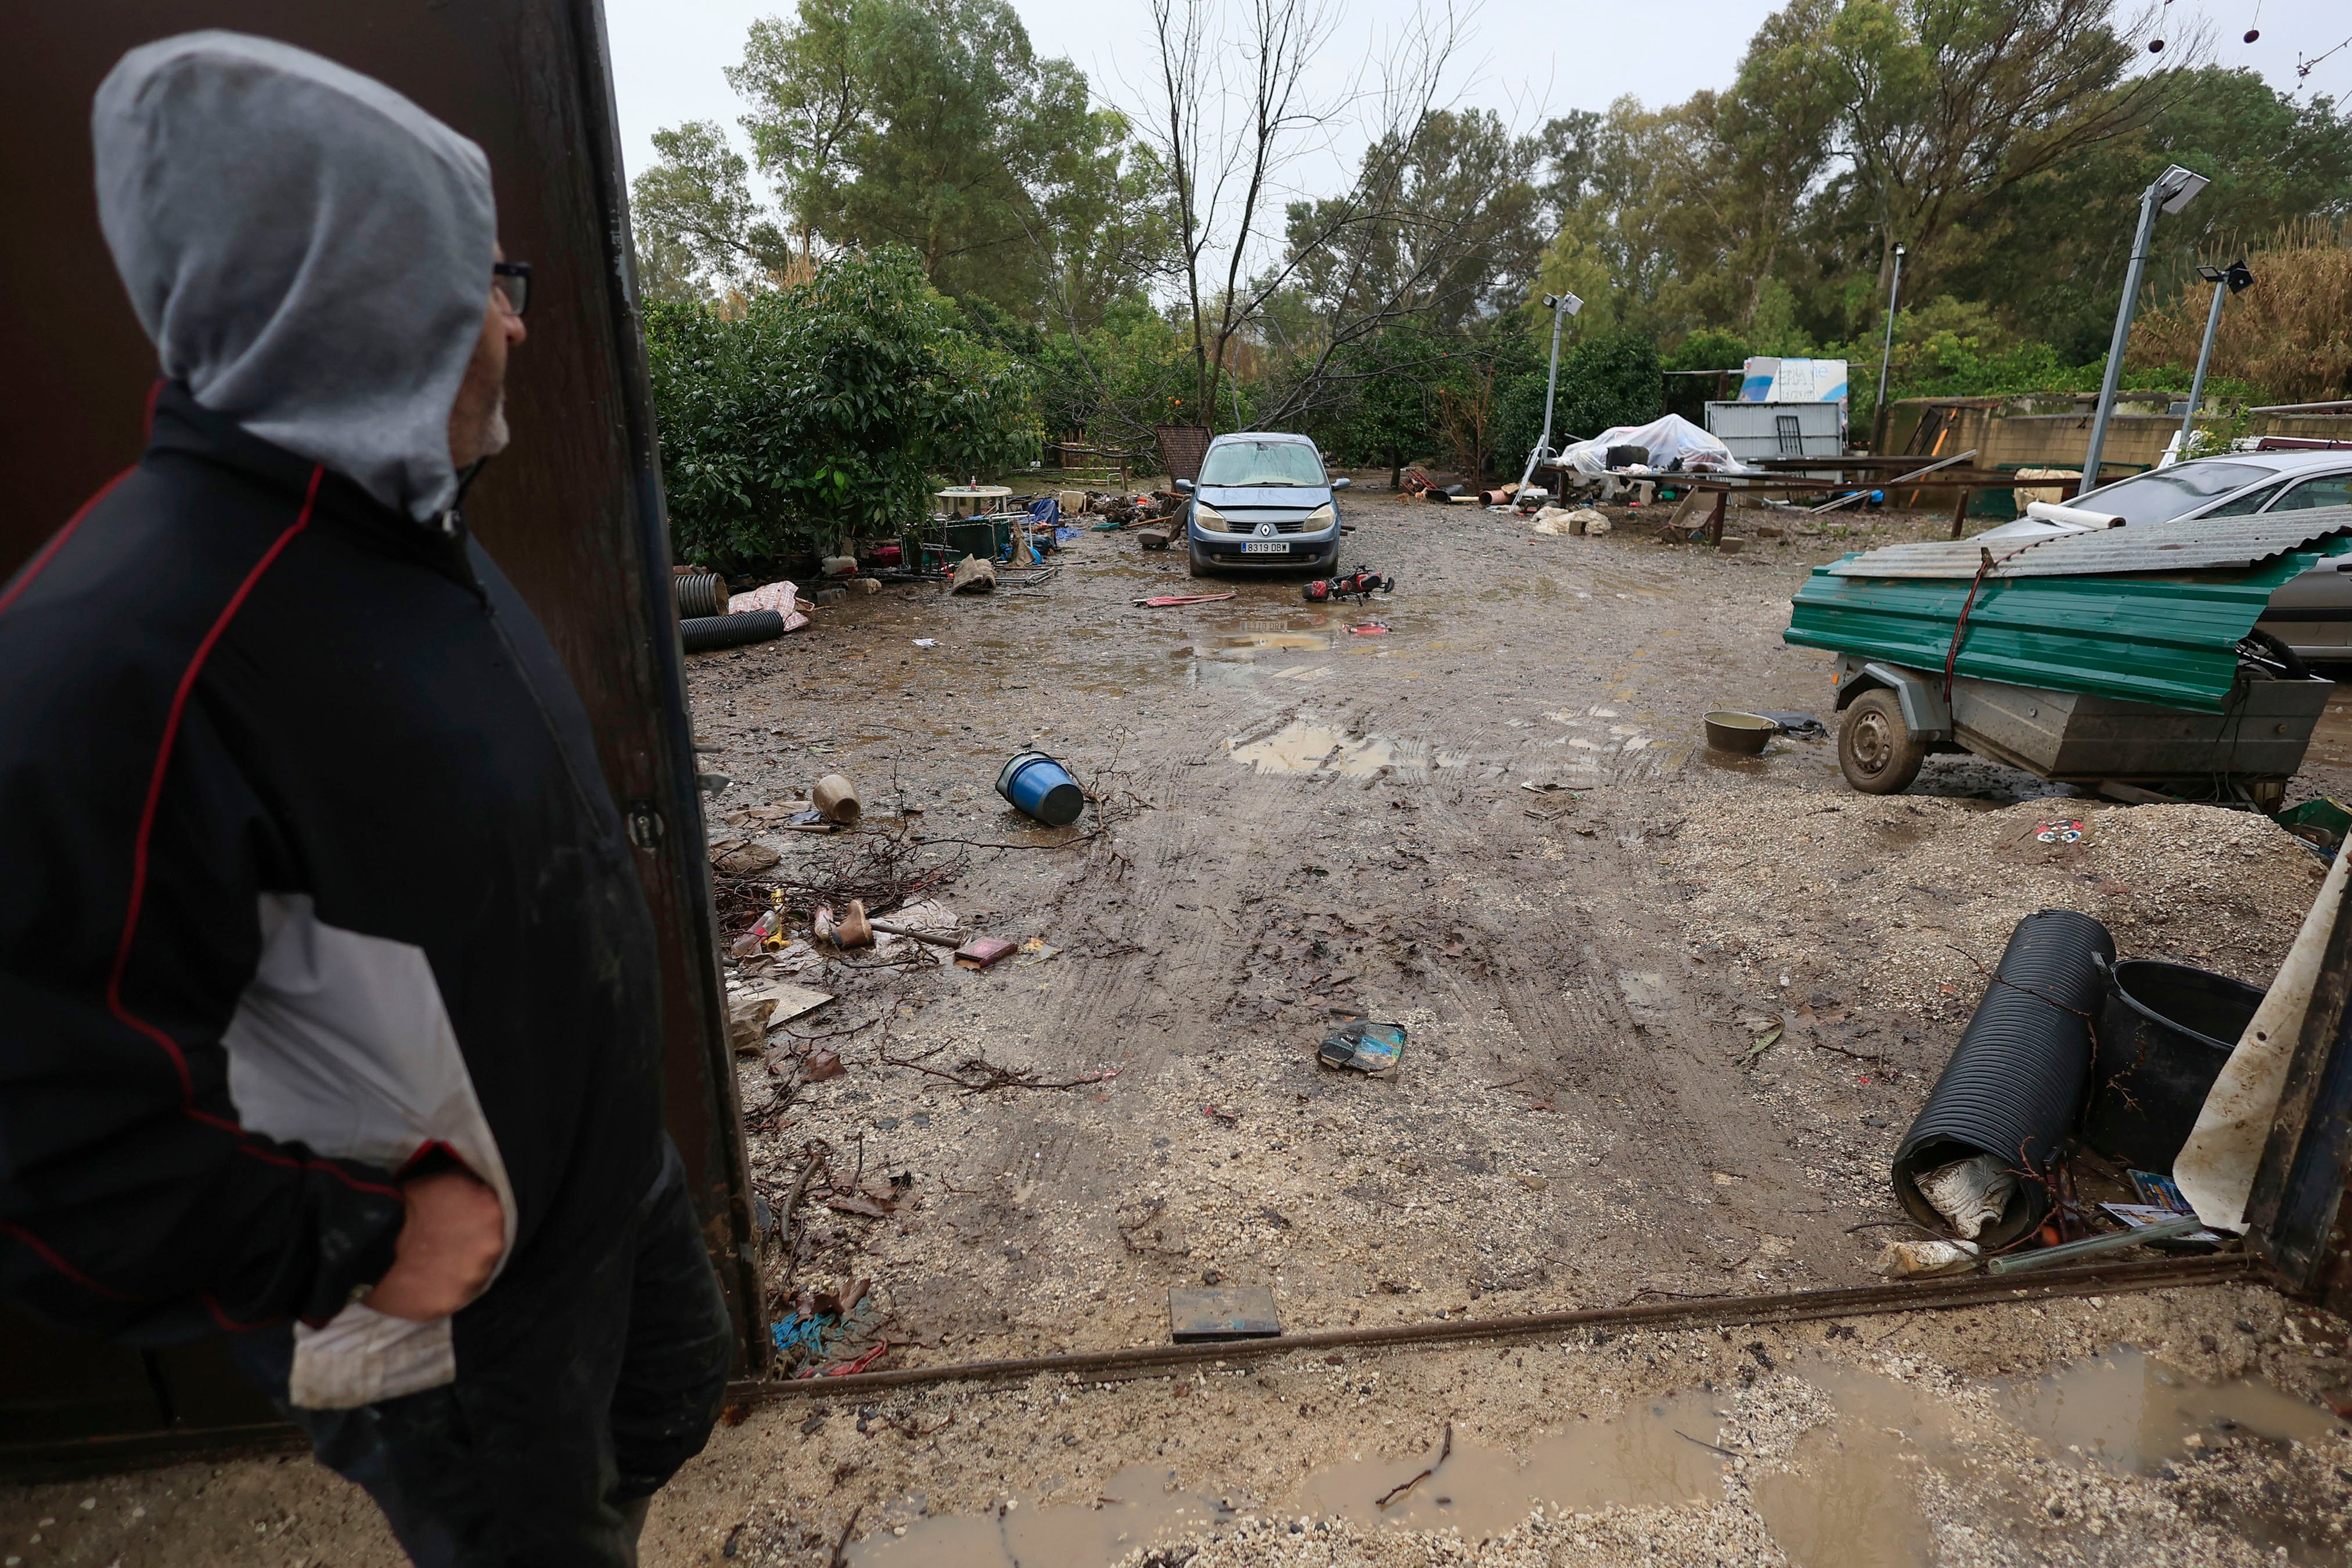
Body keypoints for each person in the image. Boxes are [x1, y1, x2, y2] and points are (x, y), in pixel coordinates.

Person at [0, 32, 729, 1564]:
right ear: (365, 300)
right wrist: (366, 1237)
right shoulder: (120, 652)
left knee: (657, 1430)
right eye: (488, 287)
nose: (515, 333)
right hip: (447, 1330)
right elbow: (46, 1141)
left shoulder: (405, 538)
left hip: (601, 1209)